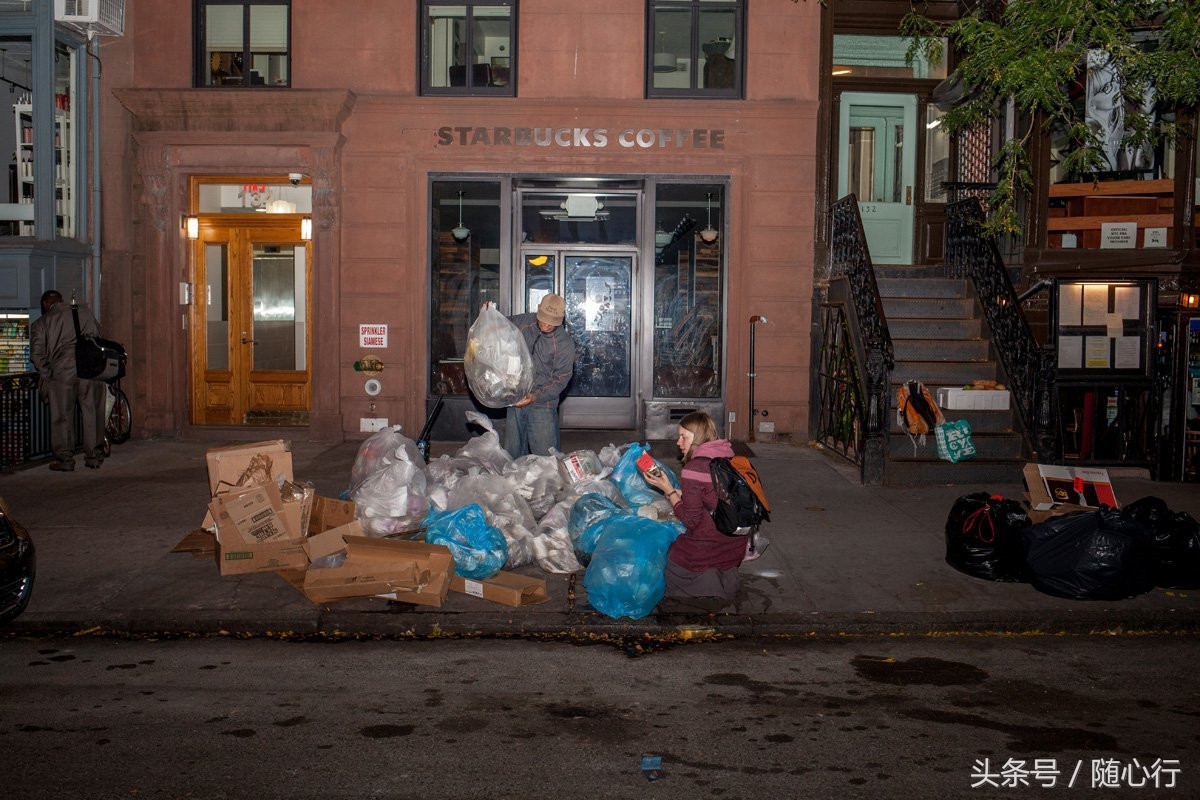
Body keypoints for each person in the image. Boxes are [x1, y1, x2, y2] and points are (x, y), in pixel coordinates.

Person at [642, 410, 748, 603]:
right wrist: (678, 492)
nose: (678, 442)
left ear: (698, 438)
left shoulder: (694, 468)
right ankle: (722, 582)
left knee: (668, 557)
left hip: (707, 547)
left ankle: (702, 589)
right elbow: (713, 496)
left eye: (683, 436)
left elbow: (690, 520)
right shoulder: (730, 459)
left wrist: (669, 491)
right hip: (735, 546)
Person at [29, 290, 107, 471]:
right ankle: (94, 457)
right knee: (92, 412)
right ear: (61, 300)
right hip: (88, 368)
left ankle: (65, 460)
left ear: (46, 304)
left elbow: (36, 354)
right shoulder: (84, 311)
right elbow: (98, 334)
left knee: (62, 417)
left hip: (62, 373)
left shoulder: (42, 322)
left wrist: (48, 372)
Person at [504, 293, 576, 458]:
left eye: (552, 322)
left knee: (546, 456)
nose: (546, 325)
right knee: (512, 452)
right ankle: (514, 481)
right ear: (538, 311)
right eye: (543, 319)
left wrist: (535, 396)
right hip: (516, 393)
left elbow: (561, 380)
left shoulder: (565, 344)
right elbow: (501, 324)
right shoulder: (524, 322)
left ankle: (549, 482)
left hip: (543, 402)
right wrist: (488, 313)